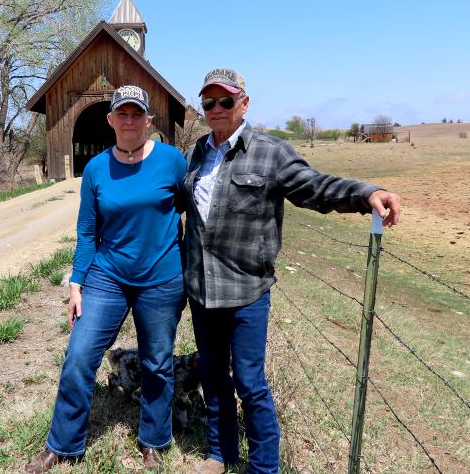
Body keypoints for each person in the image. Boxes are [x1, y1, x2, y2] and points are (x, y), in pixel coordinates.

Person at [183, 68, 401, 474]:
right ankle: (220, 453)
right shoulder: (195, 154)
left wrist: (365, 193)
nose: (216, 109)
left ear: (244, 104)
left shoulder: (270, 152)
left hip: (247, 289)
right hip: (203, 290)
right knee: (213, 375)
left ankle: (264, 467)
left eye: (225, 101)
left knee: (249, 383)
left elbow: (314, 187)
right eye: (209, 102)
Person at [25, 85, 187, 473]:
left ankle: (153, 441)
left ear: (149, 120)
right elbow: (87, 231)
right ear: (111, 119)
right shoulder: (97, 169)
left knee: (157, 361)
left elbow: (187, 211)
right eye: (122, 114)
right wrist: (76, 283)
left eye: (137, 113)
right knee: (79, 355)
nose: (129, 120)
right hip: (107, 276)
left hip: (161, 279)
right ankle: (62, 445)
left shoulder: (172, 161)